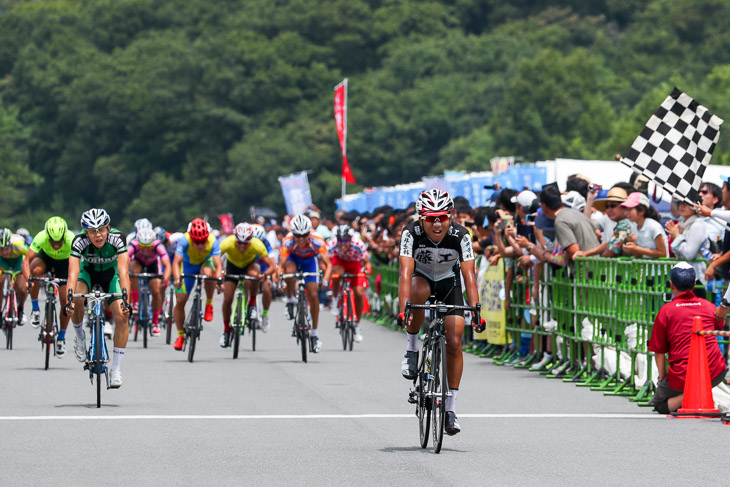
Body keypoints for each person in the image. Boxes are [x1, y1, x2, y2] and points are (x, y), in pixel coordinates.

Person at [397, 189, 483, 436]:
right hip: (421, 279)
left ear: (450, 216)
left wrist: (476, 310)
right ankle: (413, 349)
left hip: (449, 282)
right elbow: (404, 273)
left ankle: (450, 408)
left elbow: (469, 276)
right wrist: (405, 309)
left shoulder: (461, 235)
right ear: (420, 217)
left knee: (455, 340)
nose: (437, 223)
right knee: (418, 290)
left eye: (442, 217)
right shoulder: (410, 232)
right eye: (430, 217)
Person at [648, 262, 726, 414]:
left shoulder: (666, 311)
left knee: (659, 404)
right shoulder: (709, 306)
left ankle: (690, 394)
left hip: (681, 376)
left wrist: (662, 379)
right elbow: (719, 325)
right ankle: (698, 392)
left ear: (671, 285)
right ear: (693, 285)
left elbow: (658, 351)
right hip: (715, 371)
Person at [64, 209, 131, 388]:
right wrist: (69, 299)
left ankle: (116, 369)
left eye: (101, 229)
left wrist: (126, 300)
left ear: (108, 228)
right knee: (77, 300)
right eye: (92, 231)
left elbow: (124, 272)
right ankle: (79, 337)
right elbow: (73, 273)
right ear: (86, 232)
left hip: (111, 275)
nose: (98, 235)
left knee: (122, 315)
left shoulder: (118, 238)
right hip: (88, 274)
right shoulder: (79, 241)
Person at [278, 214, 332, 353]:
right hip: (293, 259)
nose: (301, 239)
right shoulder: (288, 241)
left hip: (310, 262)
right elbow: (281, 266)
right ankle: (290, 299)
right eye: (297, 235)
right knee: (289, 271)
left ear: (310, 232)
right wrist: (281, 280)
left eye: (304, 235)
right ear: (293, 233)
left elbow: (328, 264)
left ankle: (314, 334)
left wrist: (325, 280)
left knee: (313, 294)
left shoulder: (317, 240)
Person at [22, 217, 74, 356]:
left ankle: (62, 338)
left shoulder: (71, 239)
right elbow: (26, 261)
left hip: (65, 263)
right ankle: (35, 310)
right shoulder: (41, 237)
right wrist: (29, 281)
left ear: (65, 236)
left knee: (66, 301)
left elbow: (79, 264)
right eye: (52, 241)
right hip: (46, 258)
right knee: (35, 272)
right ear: (47, 236)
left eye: (59, 241)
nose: (56, 244)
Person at [219, 222, 275, 347]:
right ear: (235, 240)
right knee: (227, 299)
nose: (242, 246)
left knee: (255, 274)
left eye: (246, 243)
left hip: (250, 264)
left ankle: (252, 304)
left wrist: (264, 275)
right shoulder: (227, 242)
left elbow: (272, 265)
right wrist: (220, 273)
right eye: (239, 243)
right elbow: (215, 258)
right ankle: (226, 332)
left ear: (251, 241)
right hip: (232, 266)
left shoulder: (257, 245)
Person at [171, 218, 223, 350]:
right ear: (192, 239)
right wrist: (177, 279)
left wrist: (219, 280)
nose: (200, 245)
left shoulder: (212, 241)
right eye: (197, 242)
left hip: (205, 262)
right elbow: (176, 262)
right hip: (188, 265)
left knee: (208, 273)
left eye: (202, 241)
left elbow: (218, 266)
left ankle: (209, 304)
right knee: (180, 300)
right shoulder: (185, 240)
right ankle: (181, 335)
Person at [328, 224, 372, 343]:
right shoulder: (332, 245)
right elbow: (326, 263)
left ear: (350, 239)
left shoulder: (358, 245)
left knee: (358, 292)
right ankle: (335, 300)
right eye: (340, 240)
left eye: (345, 240)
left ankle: (357, 325)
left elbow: (366, 262)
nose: (342, 243)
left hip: (354, 266)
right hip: (340, 263)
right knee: (337, 274)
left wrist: (367, 271)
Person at [127, 226, 172, 337]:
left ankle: (155, 323)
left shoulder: (158, 245)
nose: (146, 250)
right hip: (138, 262)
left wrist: (164, 280)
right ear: (138, 243)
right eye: (143, 246)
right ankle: (136, 302)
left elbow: (167, 265)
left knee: (156, 291)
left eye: (149, 246)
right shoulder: (133, 244)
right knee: (133, 271)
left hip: (153, 266)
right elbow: (124, 260)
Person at [665, 200, 709, 292]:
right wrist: (676, 236)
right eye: (680, 203)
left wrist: (677, 237)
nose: (682, 206)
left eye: (686, 204)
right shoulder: (682, 225)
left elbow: (689, 254)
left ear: (695, 207)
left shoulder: (697, 225)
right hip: (683, 278)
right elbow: (676, 252)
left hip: (697, 279)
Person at [620, 192, 668, 259]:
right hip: (645, 268)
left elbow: (663, 253)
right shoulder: (634, 227)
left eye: (630, 209)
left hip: (659, 269)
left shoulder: (653, 226)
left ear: (641, 211)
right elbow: (639, 255)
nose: (627, 213)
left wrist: (637, 249)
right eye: (626, 209)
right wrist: (631, 246)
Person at [251, 224, 278, 330]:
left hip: (263, 269)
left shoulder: (266, 244)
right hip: (251, 267)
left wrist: (273, 277)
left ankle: (265, 315)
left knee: (267, 287)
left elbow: (272, 262)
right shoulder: (246, 243)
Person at [0, 228, 28, 325]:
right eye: (1, 250)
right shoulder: (2, 255)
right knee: (0, 281)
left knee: (22, 288)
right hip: (2, 262)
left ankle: (20, 309)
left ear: (11, 245)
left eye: (6, 249)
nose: (4, 252)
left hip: (17, 261)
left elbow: (31, 257)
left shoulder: (19, 245)